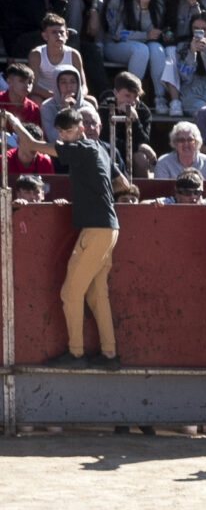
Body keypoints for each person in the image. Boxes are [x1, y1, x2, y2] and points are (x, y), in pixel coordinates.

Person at [42, 104, 118, 369]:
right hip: (108, 227)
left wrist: (14, 126)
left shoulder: (82, 148)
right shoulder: (100, 148)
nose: (65, 135)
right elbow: (121, 183)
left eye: (69, 130)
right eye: (62, 131)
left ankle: (76, 354)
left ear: (81, 129)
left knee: (70, 293)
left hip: (96, 228)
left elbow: (32, 144)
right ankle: (109, 355)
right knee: (97, 294)